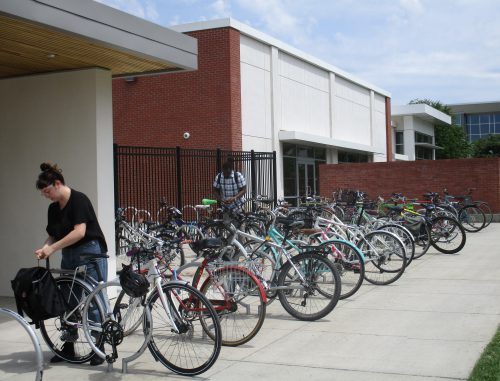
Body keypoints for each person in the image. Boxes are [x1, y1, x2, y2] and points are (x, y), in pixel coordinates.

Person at [35, 162, 107, 366]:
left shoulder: (79, 200)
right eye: (43, 193)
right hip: (69, 253)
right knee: (67, 300)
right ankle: (68, 345)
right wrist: (44, 248)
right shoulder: (53, 209)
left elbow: (80, 232)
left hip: (90, 251)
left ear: (57, 184)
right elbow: (52, 235)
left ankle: (98, 346)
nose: (46, 196)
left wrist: (53, 248)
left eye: (47, 191)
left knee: (94, 300)